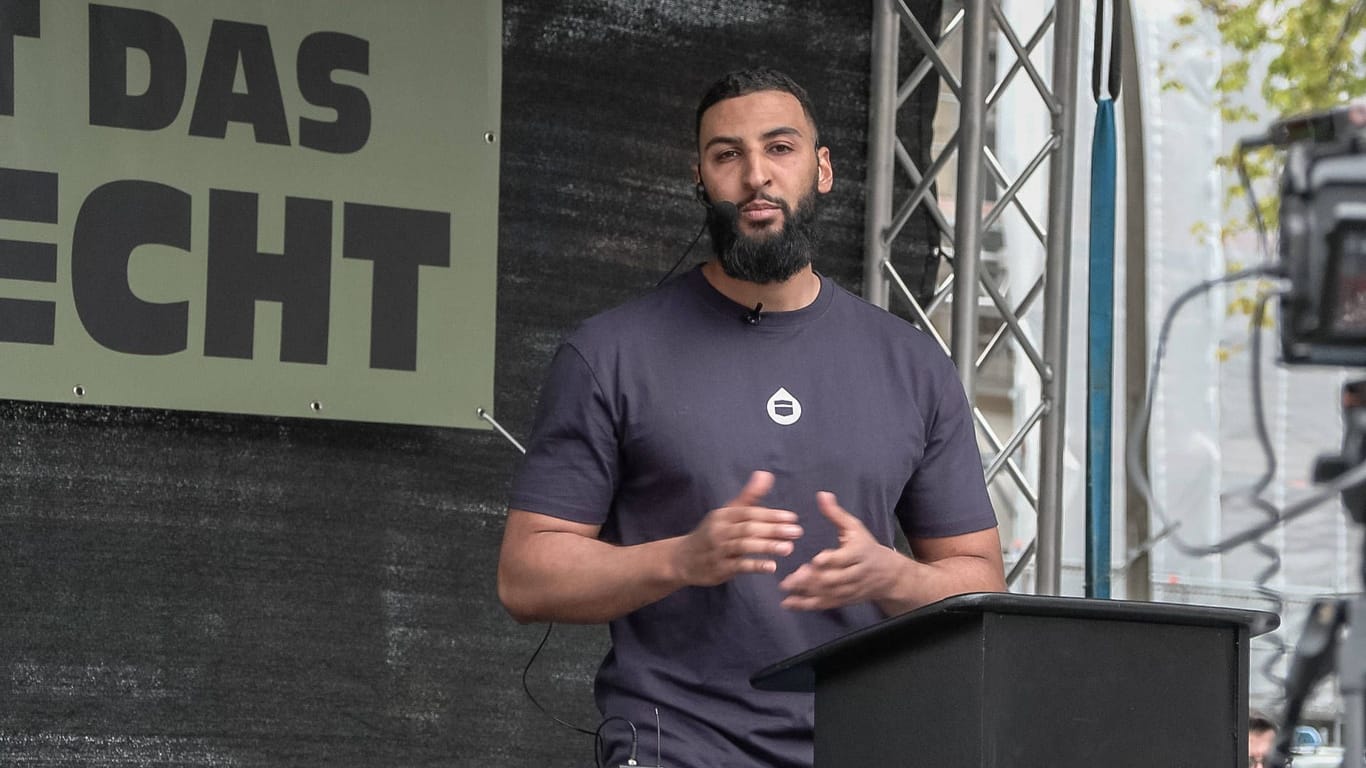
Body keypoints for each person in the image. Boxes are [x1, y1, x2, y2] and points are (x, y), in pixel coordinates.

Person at [497, 67, 1005, 768]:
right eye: (727, 155)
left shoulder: (912, 364)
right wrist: (682, 557)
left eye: (780, 148)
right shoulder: (610, 354)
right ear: (701, 179)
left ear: (822, 170)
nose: (755, 175)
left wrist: (890, 575)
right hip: (678, 742)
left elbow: (979, 584)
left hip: (869, 740)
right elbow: (525, 577)